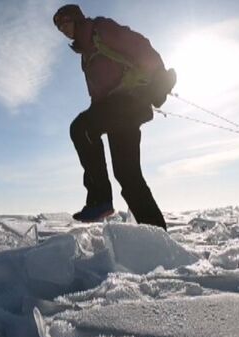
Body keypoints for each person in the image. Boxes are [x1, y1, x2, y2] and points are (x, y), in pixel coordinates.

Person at [53, 4, 176, 230]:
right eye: (59, 27)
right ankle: (158, 237)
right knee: (127, 175)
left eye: (65, 23)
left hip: (127, 101)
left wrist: (160, 76)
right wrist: (95, 115)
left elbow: (139, 45)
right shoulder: (86, 53)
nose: (63, 30)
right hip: (115, 110)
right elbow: (97, 96)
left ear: (77, 19)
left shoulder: (100, 30)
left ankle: (100, 199)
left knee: (80, 129)